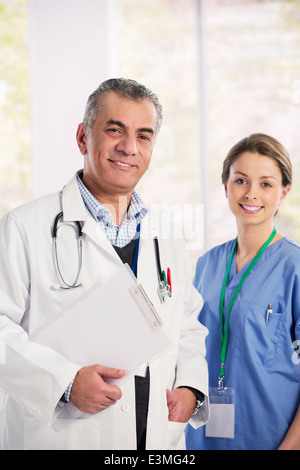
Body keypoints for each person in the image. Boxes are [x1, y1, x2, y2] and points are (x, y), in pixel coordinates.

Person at [0, 78, 209, 450]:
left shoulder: (168, 232)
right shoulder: (23, 227)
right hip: (62, 436)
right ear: (83, 137)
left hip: (155, 441)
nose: (129, 147)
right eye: (115, 130)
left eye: (144, 136)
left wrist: (191, 387)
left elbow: (188, 324)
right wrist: (63, 382)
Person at [186, 133, 300, 450]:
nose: (251, 194)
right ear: (226, 187)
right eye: (241, 181)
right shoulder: (206, 265)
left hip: (269, 438)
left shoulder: (295, 267)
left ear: (283, 192)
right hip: (201, 437)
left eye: (266, 184)